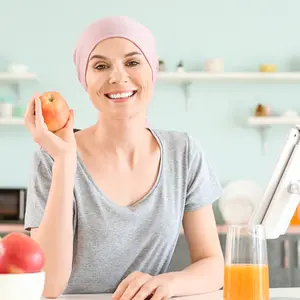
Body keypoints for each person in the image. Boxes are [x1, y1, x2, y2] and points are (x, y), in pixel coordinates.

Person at [24, 15, 224, 299]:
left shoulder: (184, 153)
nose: (118, 77)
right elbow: (48, 285)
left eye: (132, 62)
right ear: (85, 79)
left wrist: (170, 283)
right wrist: (65, 161)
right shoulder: (51, 158)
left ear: (152, 71)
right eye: (101, 66)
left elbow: (213, 264)